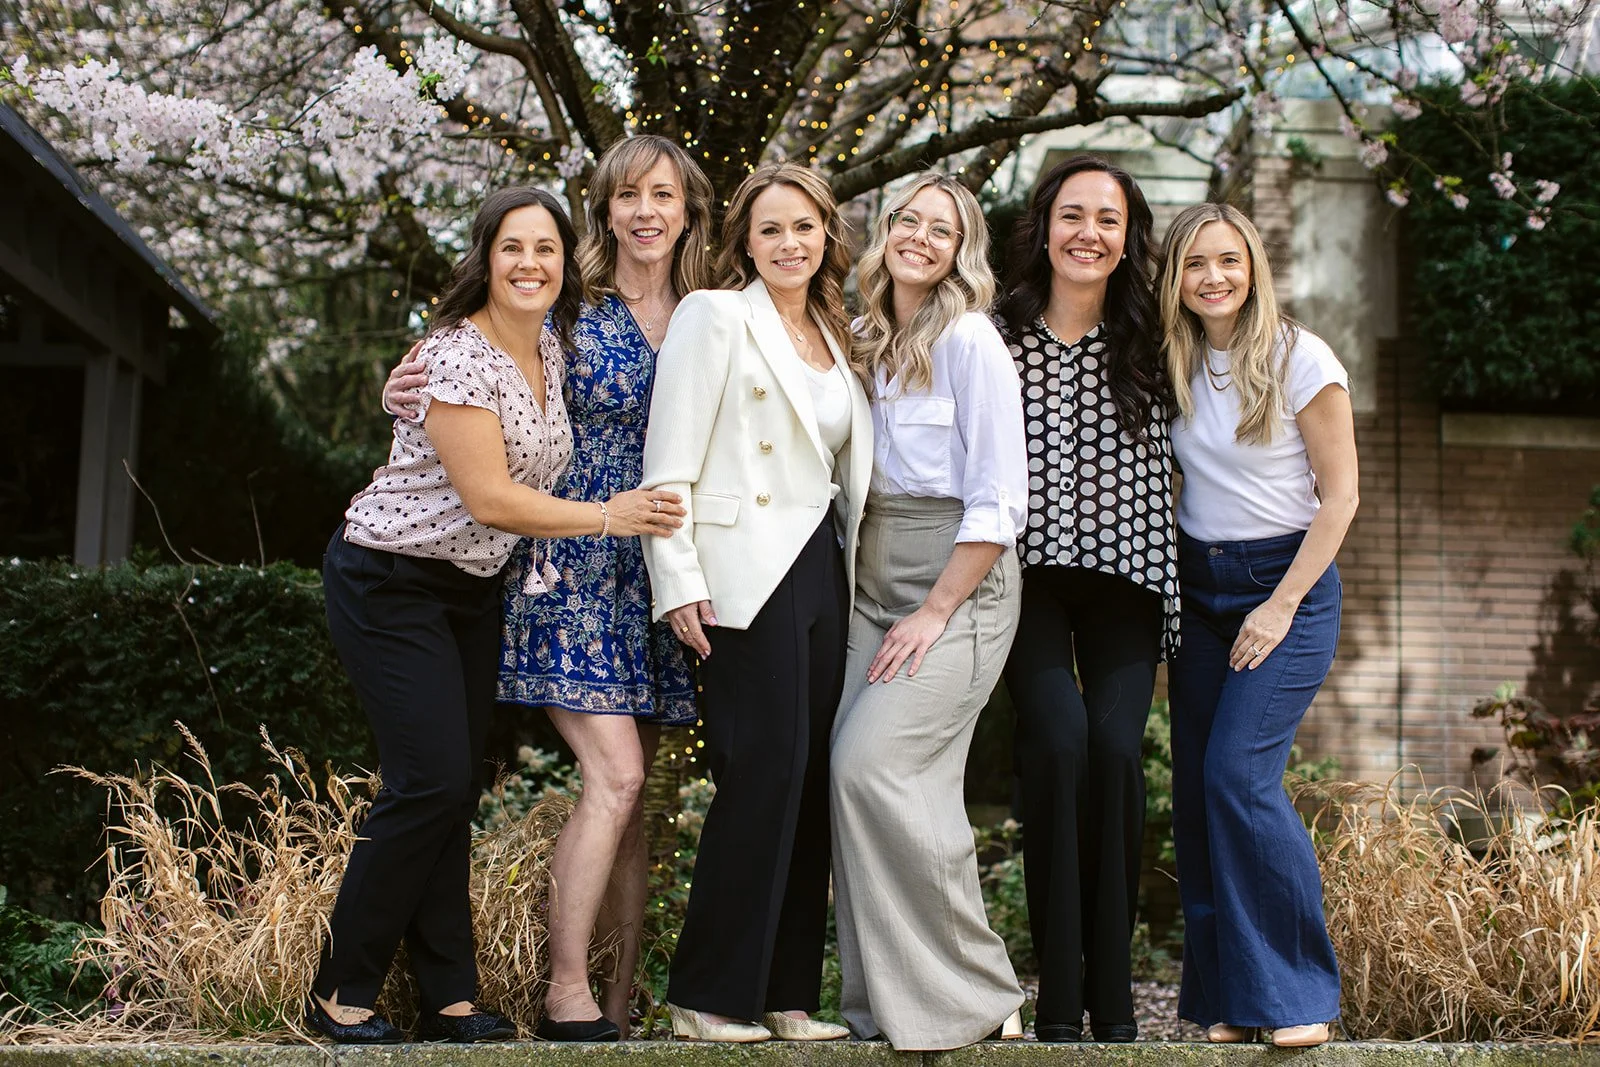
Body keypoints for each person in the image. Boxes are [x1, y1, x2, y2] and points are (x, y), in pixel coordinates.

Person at [309, 186, 684, 1045]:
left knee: (454, 783)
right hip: (389, 579)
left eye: (546, 250)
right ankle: (340, 989)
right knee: (429, 780)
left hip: (472, 591)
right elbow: (489, 495)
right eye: (512, 248)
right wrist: (609, 515)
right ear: (485, 258)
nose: (530, 264)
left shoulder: (551, 347)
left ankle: (448, 995)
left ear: (564, 264)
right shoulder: (457, 355)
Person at [640, 162, 870, 1043]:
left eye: (804, 228)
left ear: (826, 237)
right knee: (762, 770)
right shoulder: (716, 314)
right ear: (745, 239)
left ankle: (787, 995)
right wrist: (679, 580)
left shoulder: (834, 330)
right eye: (771, 229)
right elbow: (669, 461)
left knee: (809, 777)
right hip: (741, 571)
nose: (789, 244)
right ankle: (708, 993)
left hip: (822, 566)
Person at [828, 172, 1027, 1049]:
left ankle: (977, 988)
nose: (919, 236)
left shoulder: (972, 339)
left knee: (869, 765)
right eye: (908, 219)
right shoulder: (864, 332)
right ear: (886, 231)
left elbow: (999, 498)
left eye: (940, 229)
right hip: (868, 581)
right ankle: (893, 1006)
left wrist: (937, 608)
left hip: (960, 586)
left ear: (959, 251)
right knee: (888, 787)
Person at [1157, 202, 1358, 1049]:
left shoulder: (1300, 357)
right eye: (1196, 263)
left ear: (1253, 267)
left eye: (1229, 261)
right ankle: (1232, 1000)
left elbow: (1341, 495)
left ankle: (1297, 992)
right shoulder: (1170, 359)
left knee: (1239, 777)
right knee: (1199, 793)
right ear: (1175, 276)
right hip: (1200, 590)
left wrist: (1278, 605)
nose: (1214, 277)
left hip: (1289, 585)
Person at [995, 155, 1178, 1043]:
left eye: (1108, 219)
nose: (1089, 234)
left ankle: (1114, 1004)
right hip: (1022, 581)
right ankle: (1057, 1005)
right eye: (1073, 215)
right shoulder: (995, 331)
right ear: (1045, 225)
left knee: (1114, 750)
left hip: (1130, 582)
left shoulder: (1157, 337)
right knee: (1059, 741)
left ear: (1127, 236)